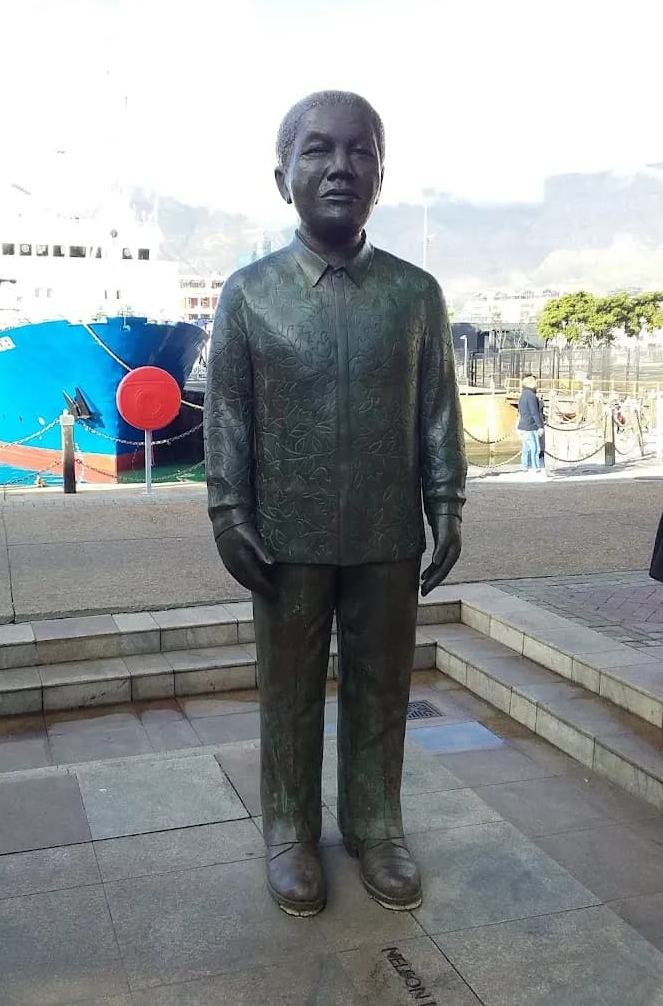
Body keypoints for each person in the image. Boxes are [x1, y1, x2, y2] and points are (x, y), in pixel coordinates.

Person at [204, 90, 466, 917]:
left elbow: (435, 409)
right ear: (283, 176)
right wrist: (226, 510)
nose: (341, 167)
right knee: (287, 688)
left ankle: (376, 823)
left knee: (384, 681)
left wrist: (447, 498)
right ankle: (288, 828)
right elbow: (230, 416)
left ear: (382, 176)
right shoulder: (250, 295)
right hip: (286, 533)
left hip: (388, 528)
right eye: (319, 150)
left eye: (360, 152)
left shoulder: (416, 294)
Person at [517, 374, 544, 474]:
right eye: (535, 382)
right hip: (530, 426)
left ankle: (524, 466)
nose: (537, 384)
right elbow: (534, 412)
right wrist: (540, 426)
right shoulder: (532, 396)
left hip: (523, 425)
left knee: (526, 448)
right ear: (531, 383)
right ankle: (536, 467)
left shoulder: (523, 395)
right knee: (535, 448)